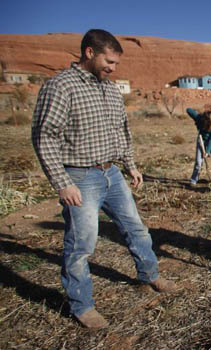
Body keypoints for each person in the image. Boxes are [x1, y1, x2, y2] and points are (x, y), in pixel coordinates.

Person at [31, 29, 178, 329]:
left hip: (112, 172)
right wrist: (62, 182)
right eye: (109, 61)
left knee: (136, 229)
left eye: (116, 64)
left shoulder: (110, 89)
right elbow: (44, 136)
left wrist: (130, 165)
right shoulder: (61, 86)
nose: (113, 68)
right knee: (81, 244)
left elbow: (121, 131)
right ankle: (81, 305)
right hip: (80, 176)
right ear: (89, 53)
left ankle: (150, 275)